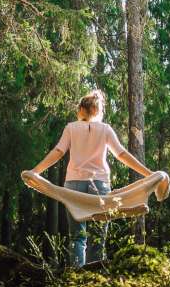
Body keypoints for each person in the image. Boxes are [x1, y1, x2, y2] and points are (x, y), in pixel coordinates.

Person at [31, 89, 153, 267]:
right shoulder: (105, 129)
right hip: (100, 185)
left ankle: (77, 275)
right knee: (98, 236)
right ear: (98, 110)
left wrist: (36, 170)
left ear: (81, 109)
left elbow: (58, 152)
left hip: (73, 185)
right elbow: (122, 154)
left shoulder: (71, 128)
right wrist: (148, 174)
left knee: (77, 236)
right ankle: (94, 277)